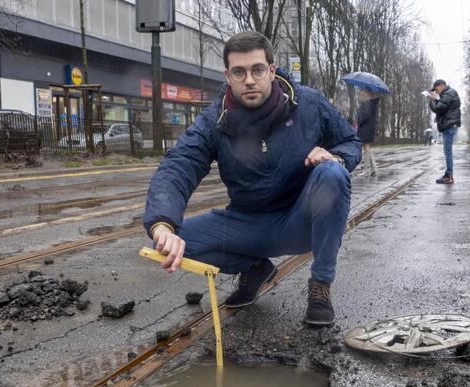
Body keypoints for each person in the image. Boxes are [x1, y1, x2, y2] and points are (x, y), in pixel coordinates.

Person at [143, 32, 361, 327]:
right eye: (239, 71)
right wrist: (162, 223)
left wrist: (336, 156)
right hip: (246, 223)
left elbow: (350, 142)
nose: (249, 80)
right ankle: (255, 267)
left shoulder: (309, 104)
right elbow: (179, 164)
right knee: (173, 243)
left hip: (299, 220)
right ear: (227, 75)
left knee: (332, 173)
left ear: (272, 70)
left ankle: (320, 286)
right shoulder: (214, 120)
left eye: (257, 70)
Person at [429, 79, 461, 184]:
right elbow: (442, 107)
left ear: (441, 86)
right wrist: (436, 99)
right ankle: (448, 174)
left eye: (436, 88)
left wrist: (433, 99)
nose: (435, 91)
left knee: (448, 151)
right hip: (449, 124)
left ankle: (449, 176)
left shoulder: (448, 93)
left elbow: (438, 108)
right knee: (448, 151)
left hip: (449, 125)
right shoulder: (448, 94)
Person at [356, 88, 380, 176]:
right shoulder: (371, 103)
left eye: (362, 93)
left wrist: (359, 119)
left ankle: (366, 170)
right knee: (367, 149)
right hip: (368, 129)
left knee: (366, 149)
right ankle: (374, 169)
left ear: (367, 94)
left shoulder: (367, 104)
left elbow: (365, 116)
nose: (361, 94)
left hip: (365, 129)